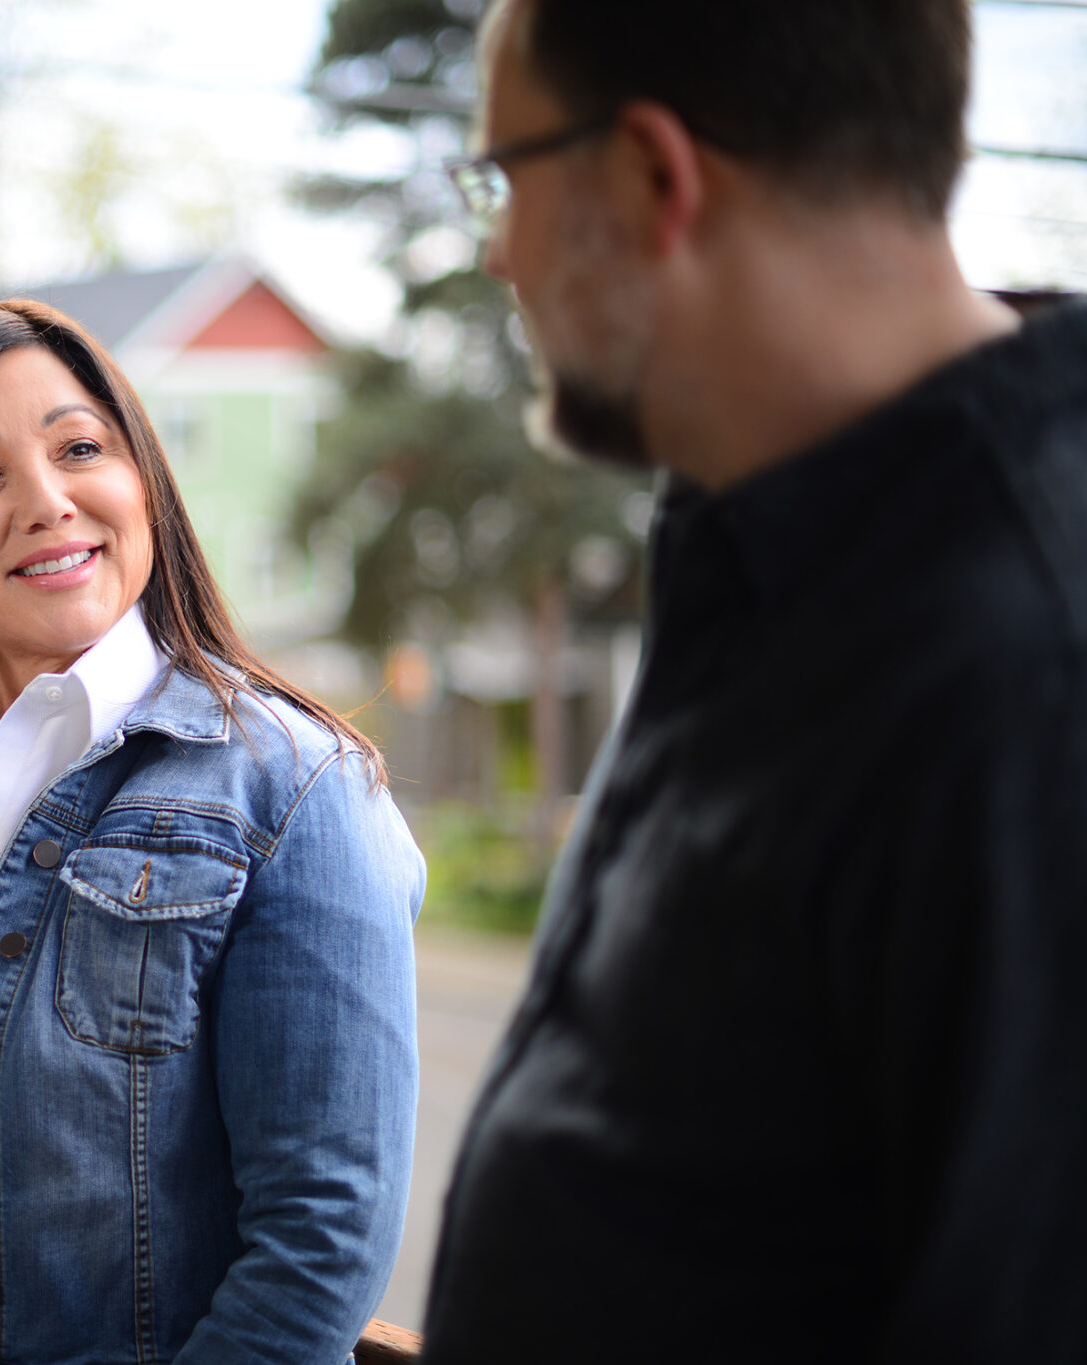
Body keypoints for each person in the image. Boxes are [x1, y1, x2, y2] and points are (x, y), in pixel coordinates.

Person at [424, 1, 1087, 1359]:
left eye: (508, 178)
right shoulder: (775, 544)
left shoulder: (1024, 681)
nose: (497, 249)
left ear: (654, 177)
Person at [0, 300, 423, 1364]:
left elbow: (318, 1243)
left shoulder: (297, 792)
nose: (45, 503)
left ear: (142, 479)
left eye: (78, 448)